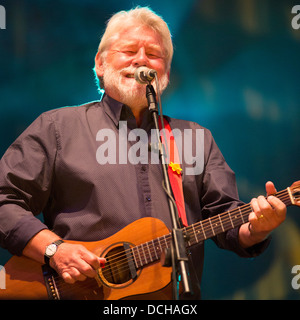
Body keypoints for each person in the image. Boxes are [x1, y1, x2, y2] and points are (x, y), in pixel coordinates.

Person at [0, 7, 286, 298]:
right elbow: (3, 200)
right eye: (128, 50)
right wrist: (54, 250)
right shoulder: (57, 128)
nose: (141, 60)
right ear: (100, 63)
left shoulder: (195, 138)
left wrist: (257, 228)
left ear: (166, 72)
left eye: (153, 54)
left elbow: (227, 218)